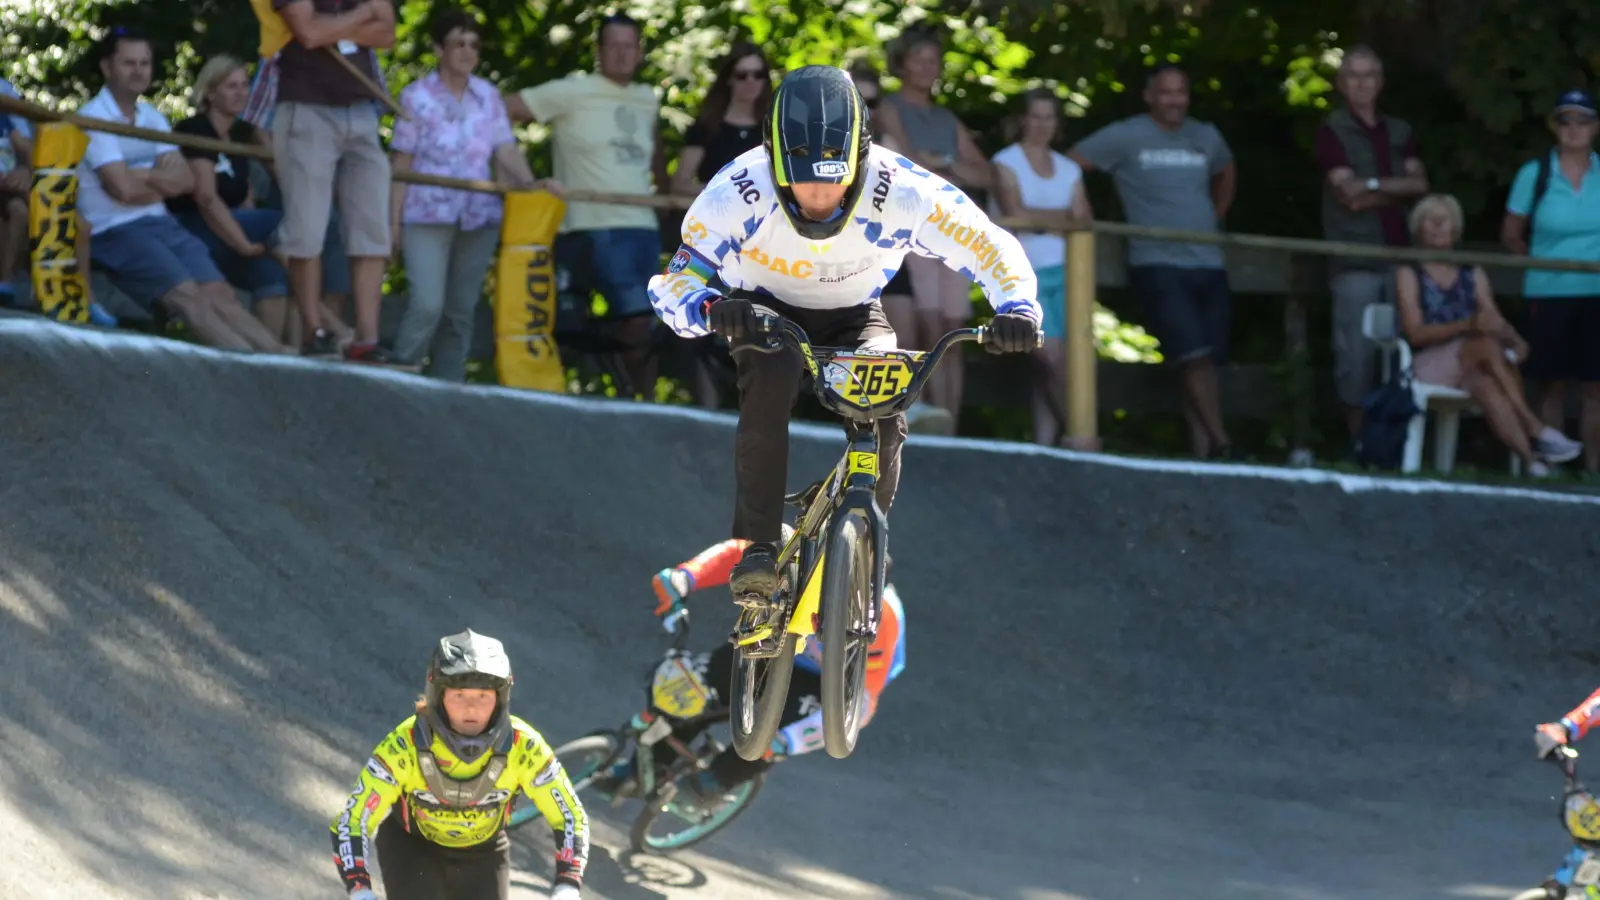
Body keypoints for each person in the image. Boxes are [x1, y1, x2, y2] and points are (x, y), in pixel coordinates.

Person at [646, 64, 1042, 601]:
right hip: (763, 310)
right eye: (802, 179)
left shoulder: (900, 185)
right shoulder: (737, 189)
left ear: (860, 158)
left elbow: (987, 244)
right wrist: (711, 307)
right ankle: (757, 550)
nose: (818, 196)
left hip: (854, 311)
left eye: (833, 178)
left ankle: (865, 541)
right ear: (772, 162)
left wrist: (1018, 308)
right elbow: (673, 283)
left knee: (886, 405)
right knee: (770, 380)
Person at [595, 532, 906, 809]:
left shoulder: (878, 626)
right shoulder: (801, 555)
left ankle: (718, 781)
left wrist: (791, 740)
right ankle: (643, 768)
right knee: (694, 694)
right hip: (777, 647)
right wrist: (686, 576)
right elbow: (741, 554)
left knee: (770, 740)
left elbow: (858, 704)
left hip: (829, 683)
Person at [329, 629, 588, 900]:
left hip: (484, 853)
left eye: (483, 697)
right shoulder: (403, 745)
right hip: (412, 848)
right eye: (459, 696)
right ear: (438, 696)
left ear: (501, 699)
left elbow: (570, 815)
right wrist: (360, 890)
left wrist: (568, 886)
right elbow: (353, 820)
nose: (471, 710)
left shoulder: (525, 746)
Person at [1395, 194, 1580, 475]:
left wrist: (1515, 340)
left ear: (1455, 228)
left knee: (1487, 383)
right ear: (1417, 228)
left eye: (1442, 220)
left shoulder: (1472, 273)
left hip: (1476, 361)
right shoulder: (1409, 272)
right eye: (1428, 220)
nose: (1435, 226)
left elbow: (1493, 320)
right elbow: (1415, 333)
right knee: (1481, 342)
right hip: (1428, 363)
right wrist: (1468, 325)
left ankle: (1532, 462)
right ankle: (1535, 427)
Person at [1535, 686, 1600, 758]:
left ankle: (1559, 738)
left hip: (1577, 726)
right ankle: (1559, 735)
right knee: (1579, 719)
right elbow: (1592, 706)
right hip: (1576, 722)